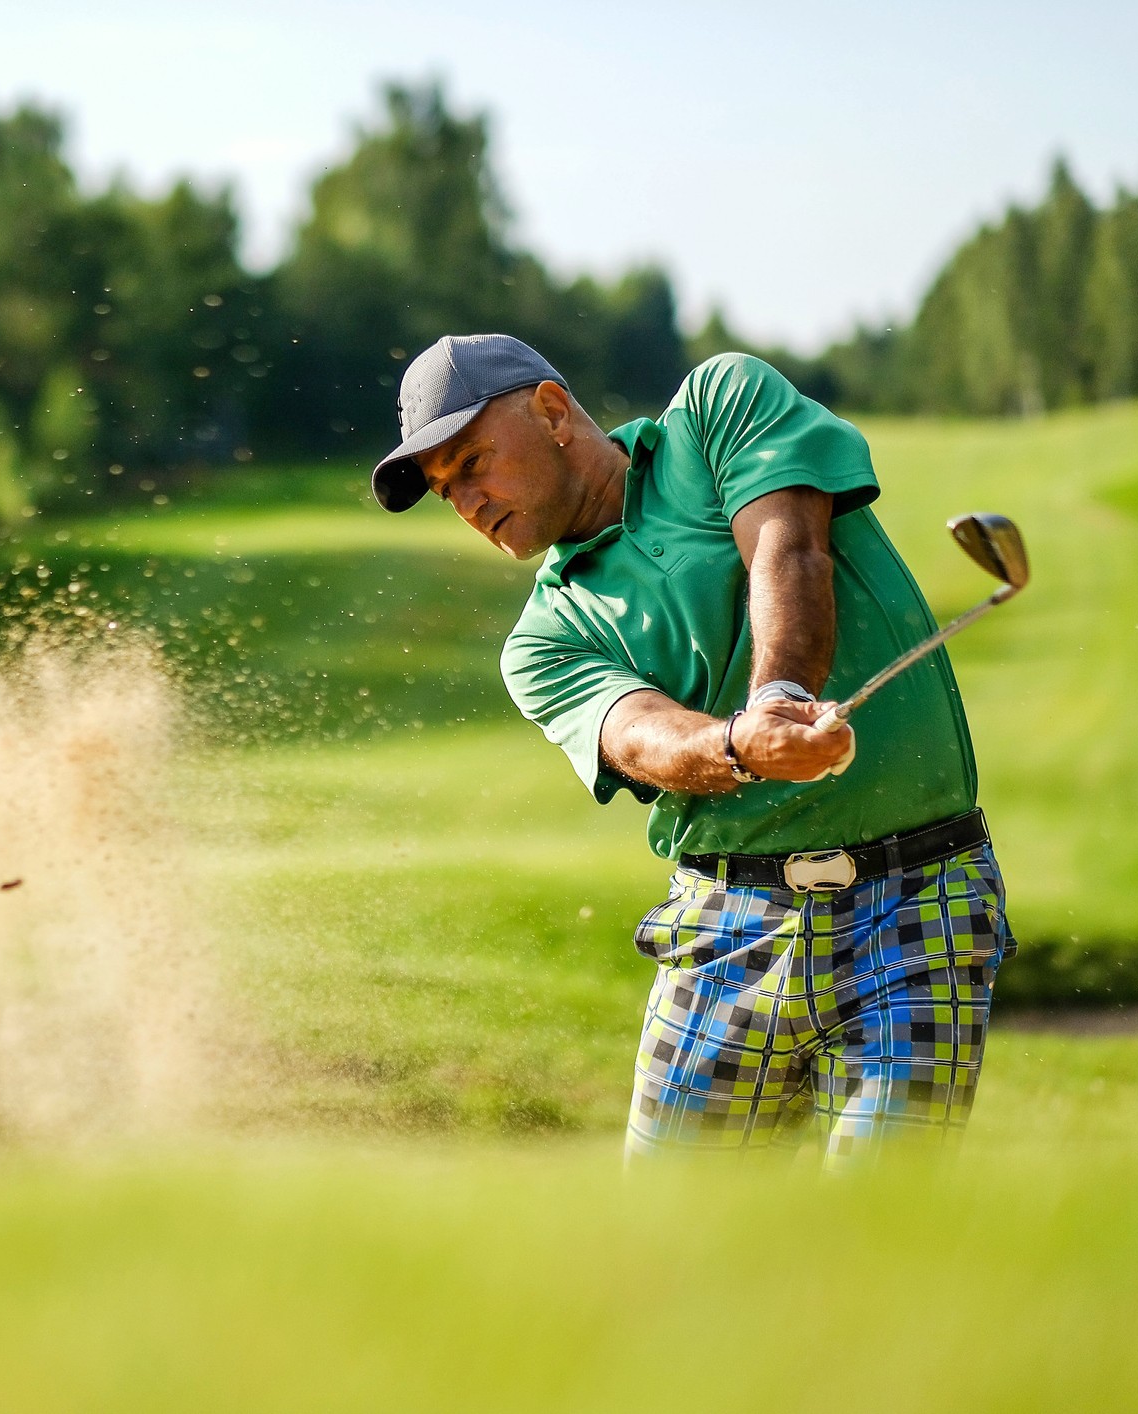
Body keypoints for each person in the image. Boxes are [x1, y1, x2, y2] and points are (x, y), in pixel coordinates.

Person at [371, 335, 1014, 1165]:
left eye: (471, 462)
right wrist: (737, 745)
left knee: (878, 1221)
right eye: (443, 490)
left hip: (917, 904)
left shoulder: (719, 408)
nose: (465, 501)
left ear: (552, 411)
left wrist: (777, 694)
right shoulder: (542, 639)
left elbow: (788, 544)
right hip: (724, 925)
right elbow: (639, 734)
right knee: (672, 1252)